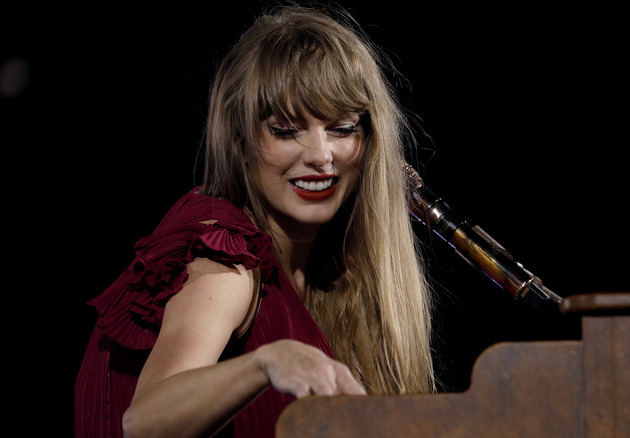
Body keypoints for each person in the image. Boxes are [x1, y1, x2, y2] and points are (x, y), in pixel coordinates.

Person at [74, 4, 436, 437]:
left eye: (342, 128)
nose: (322, 156)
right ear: (241, 139)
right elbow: (145, 422)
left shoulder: (326, 267)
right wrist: (270, 360)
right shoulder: (227, 260)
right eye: (286, 130)